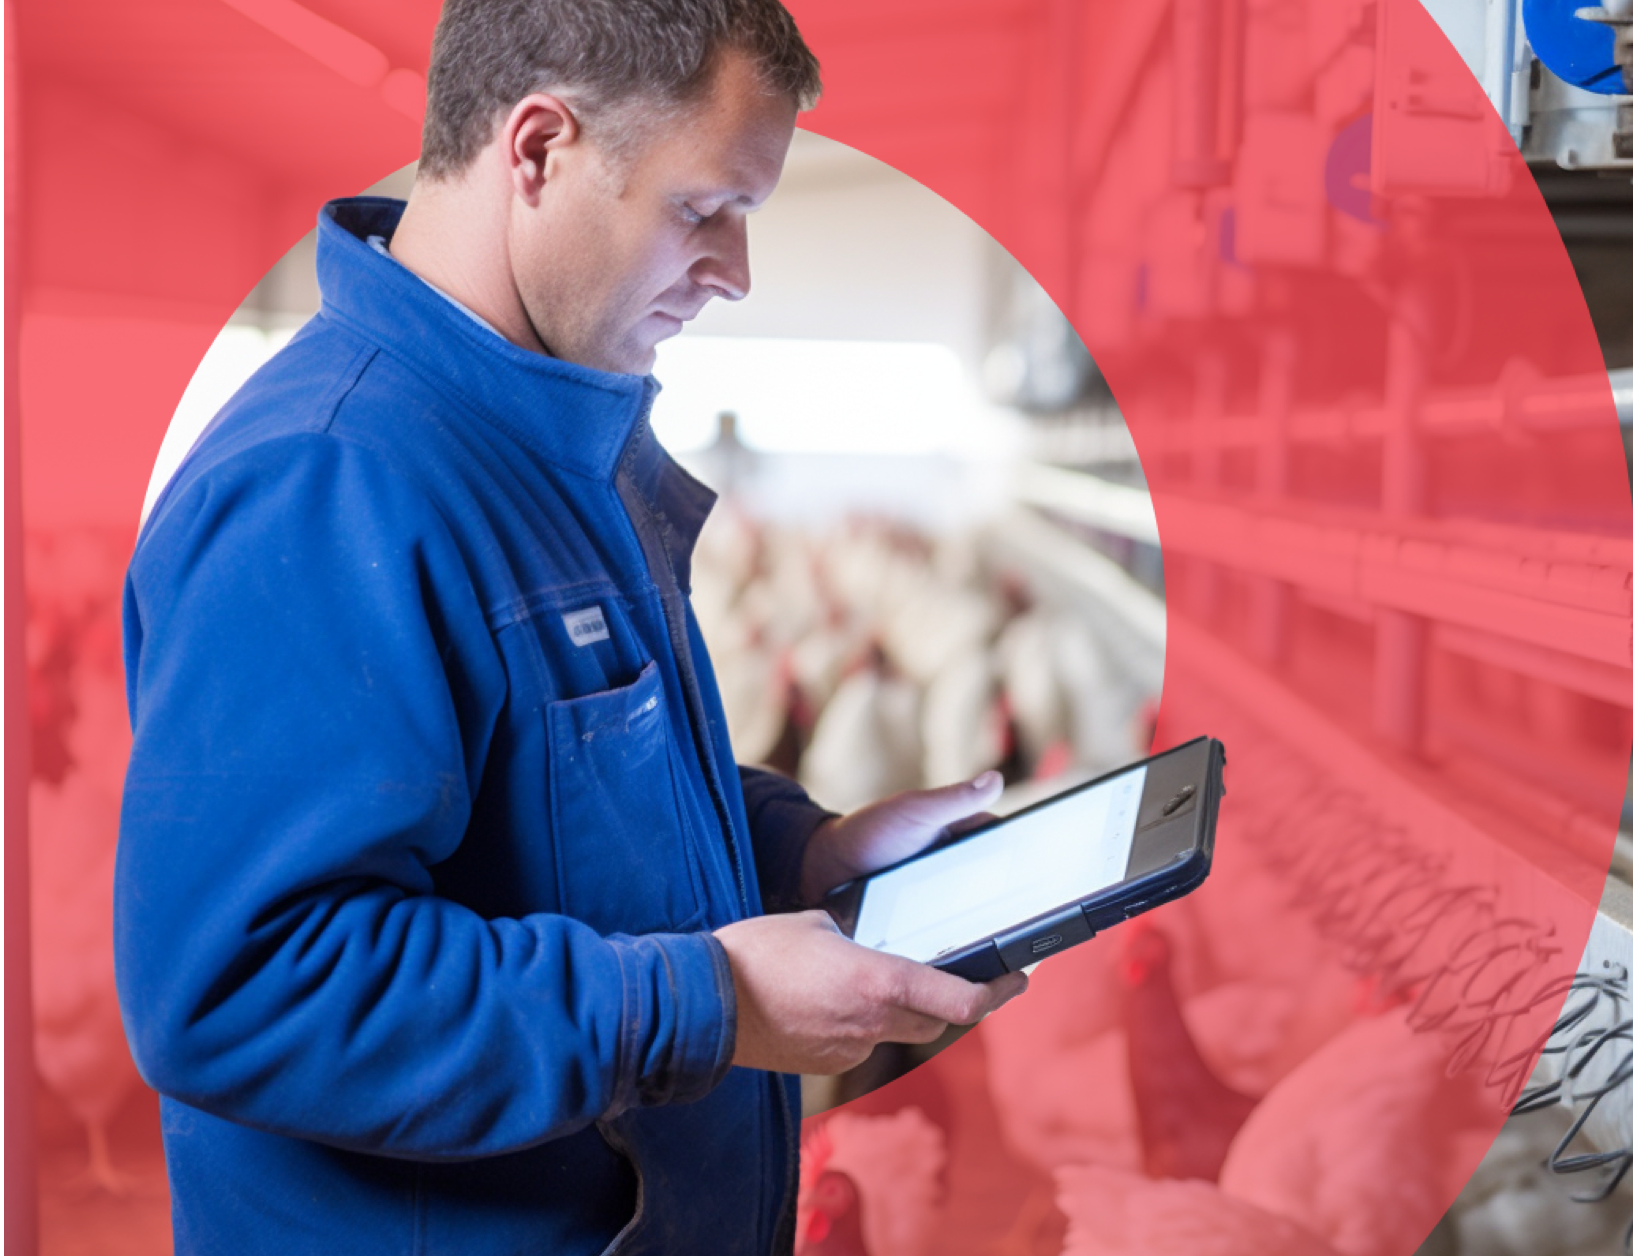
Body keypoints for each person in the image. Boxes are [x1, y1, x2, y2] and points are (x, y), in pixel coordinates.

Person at [114, 2, 1027, 1252]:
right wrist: (709, 1001)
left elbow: (558, 806)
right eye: (705, 209)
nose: (735, 271)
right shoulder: (332, 480)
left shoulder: (545, 435)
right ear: (538, 150)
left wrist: (800, 854)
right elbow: (245, 986)